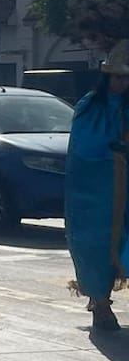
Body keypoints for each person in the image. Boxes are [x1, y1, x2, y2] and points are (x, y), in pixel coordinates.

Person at [64, 39, 129, 331]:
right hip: (93, 192)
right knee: (94, 245)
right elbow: (83, 146)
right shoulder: (89, 105)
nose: (123, 83)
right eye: (118, 77)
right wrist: (114, 150)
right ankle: (100, 304)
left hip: (124, 186)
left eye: (127, 78)